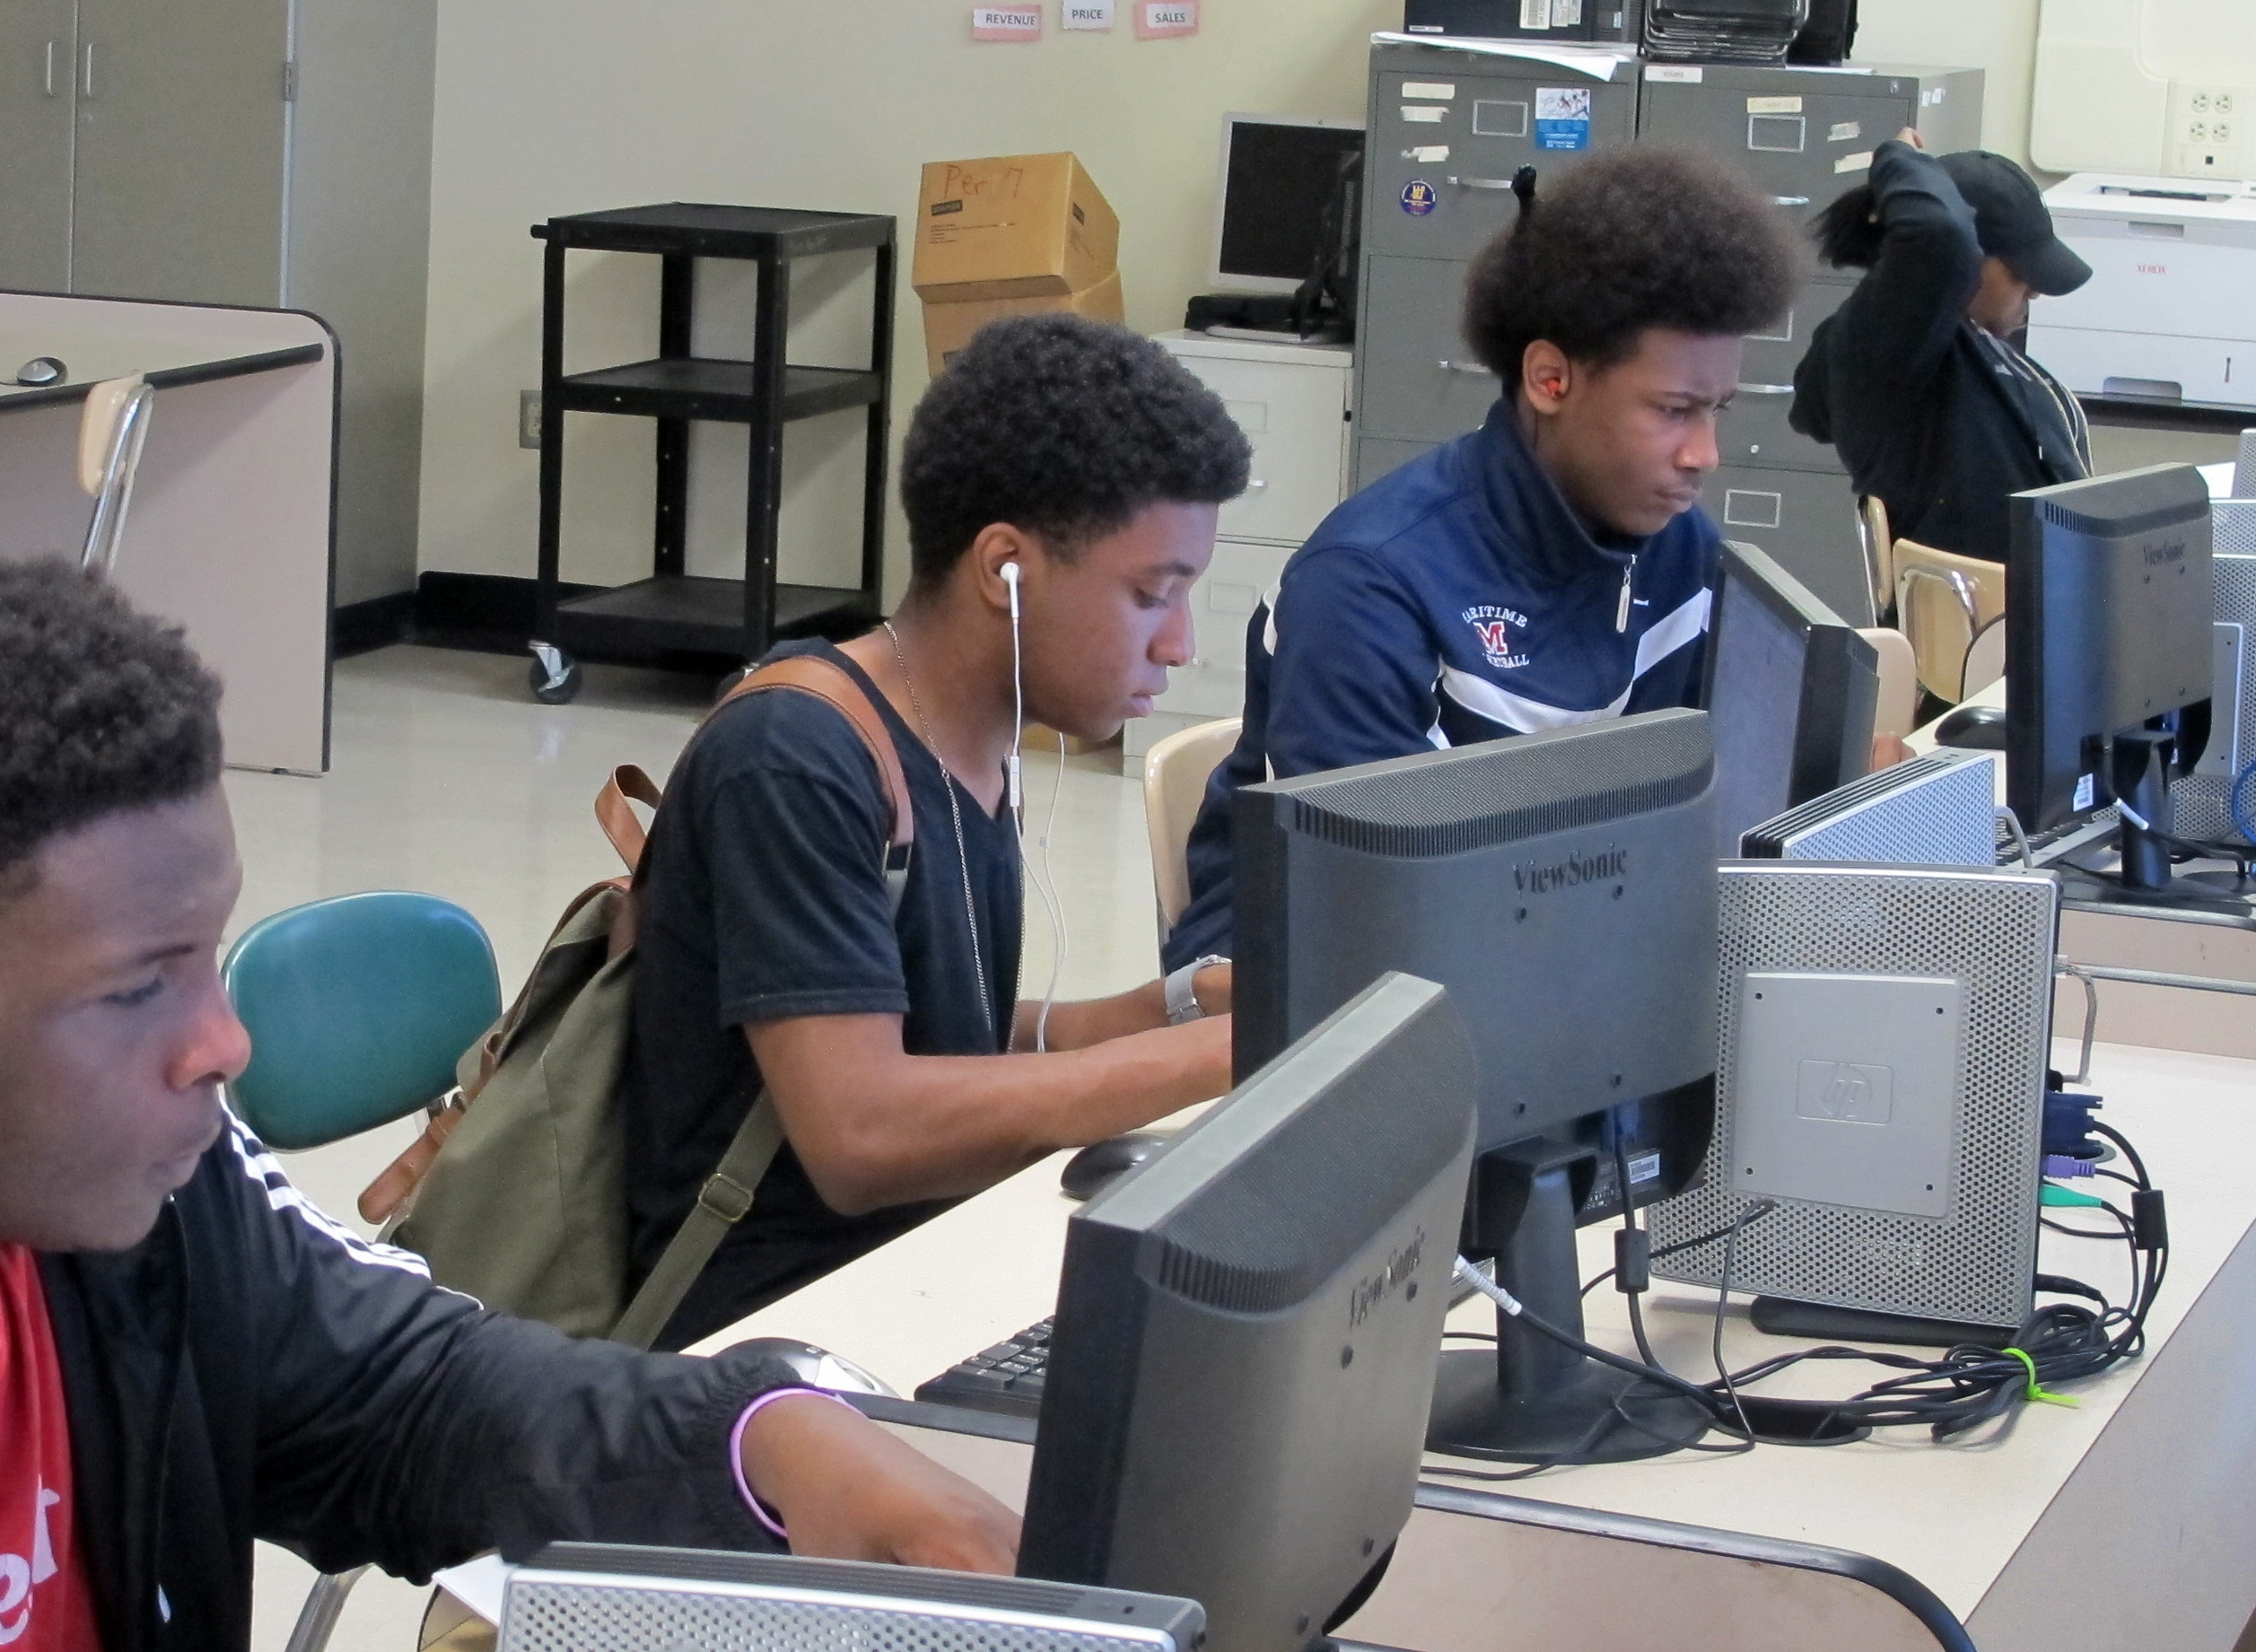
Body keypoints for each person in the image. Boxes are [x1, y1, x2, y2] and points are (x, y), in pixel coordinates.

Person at [0, 549, 1017, 1652]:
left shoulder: (118, 1175)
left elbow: (402, 1392)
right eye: (138, 985)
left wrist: (758, 1440)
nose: (220, 1040)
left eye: (209, 957)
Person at [625, 314, 1255, 1349]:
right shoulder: (797, 755)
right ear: (1003, 567)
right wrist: (1229, 1056)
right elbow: (860, 1130)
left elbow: (936, 1036)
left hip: (910, 1277)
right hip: (763, 1345)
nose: (1180, 646)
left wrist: (1173, 1006)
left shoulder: (969, 742)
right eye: (1153, 596)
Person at [1163, 146, 1802, 968]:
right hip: (1323, 980)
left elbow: (1718, 806)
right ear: (1549, 379)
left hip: (1563, 951)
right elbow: (1365, 906)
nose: (1704, 454)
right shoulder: (1370, 584)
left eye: (1717, 409)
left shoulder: (1681, 549)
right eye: (1674, 411)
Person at [1793, 133, 2094, 565]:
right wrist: (1898, 159)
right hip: (1977, 622)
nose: (2034, 291)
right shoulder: (1887, 350)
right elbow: (1939, 235)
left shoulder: (1989, 352)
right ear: (1965, 262)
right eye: (2019, 271)